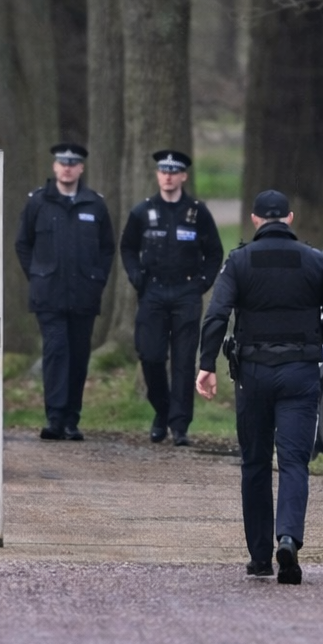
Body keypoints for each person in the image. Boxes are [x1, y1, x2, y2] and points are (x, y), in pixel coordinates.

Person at [196, 189, 323, 585]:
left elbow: (217, 314)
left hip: (254, 374)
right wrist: (313, 338)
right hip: (299, 372)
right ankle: (289, 538)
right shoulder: (315, 260)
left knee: (254, 463)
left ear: (253, 220)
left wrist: (206, 365)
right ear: (290, 217)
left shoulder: (240, 260)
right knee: (295, 462)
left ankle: (260, 556)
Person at [119, 149, 224, 447]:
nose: (167, 176)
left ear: (183, 176)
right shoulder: (143, 211)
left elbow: (214, 252)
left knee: (183, 361)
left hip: (186, 293)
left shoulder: (196, 211)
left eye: (173, 171)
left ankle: (179, 426)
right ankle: (162, 410)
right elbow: (127, 247)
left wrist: (202, 283)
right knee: (150, 355)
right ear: (157, 175)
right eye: (163, 170)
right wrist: (136, 276)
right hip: (152, 291)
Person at [15, 143, 115, 441]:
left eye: (73, 163)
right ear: (55, 167)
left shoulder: (94, 204)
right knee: (56, 351)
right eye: (62, 162)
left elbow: (107, 248)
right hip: (49, 295)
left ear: (81, 168)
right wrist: (37, 275)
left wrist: (96, 279)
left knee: (78, 355)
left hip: (84, 294)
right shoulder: (38, 203)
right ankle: (55, 418)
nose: (67, 167)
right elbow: (23, 244)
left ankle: (72, 419)